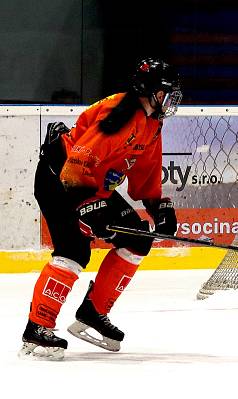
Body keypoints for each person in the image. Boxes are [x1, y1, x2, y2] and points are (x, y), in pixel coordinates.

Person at [19, 58, 182, 360]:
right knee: (74, 251)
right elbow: (78, 162)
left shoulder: (152, 124)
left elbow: (145, 172)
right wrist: (88, 207)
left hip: (90, 184)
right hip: (59, 178)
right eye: (165, 93)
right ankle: (37, 327)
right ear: (149, 91)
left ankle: (93, 312)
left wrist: (158, 206)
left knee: (136, 238)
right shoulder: (119, 116)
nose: (170, 100)